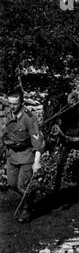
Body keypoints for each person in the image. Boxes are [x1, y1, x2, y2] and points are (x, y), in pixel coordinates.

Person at [0, 89, 44, 223]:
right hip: (12, 154)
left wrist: (37, 162)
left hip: (26, 155)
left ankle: (26, 209)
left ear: (21, 103)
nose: (12, 106)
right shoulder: (8, 114)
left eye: (15, 104)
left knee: (21, 185)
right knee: (12, 184)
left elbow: (38, 142)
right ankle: (30, 195)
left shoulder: (29, 118)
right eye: (10, 103)